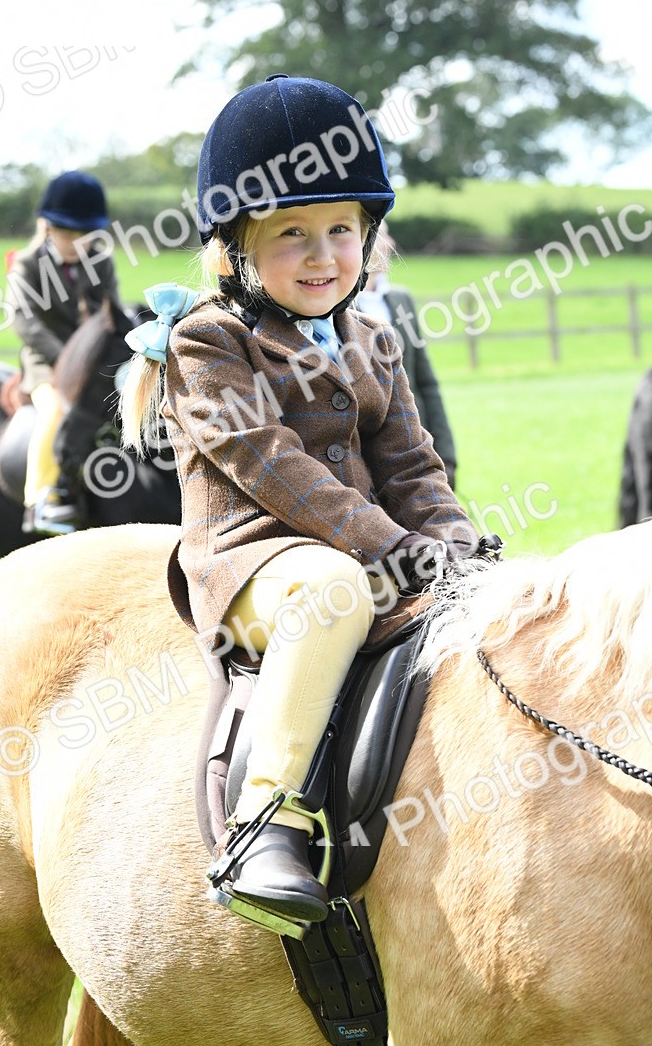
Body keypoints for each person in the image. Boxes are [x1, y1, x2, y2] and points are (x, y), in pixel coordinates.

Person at [120, 75, 479, 929]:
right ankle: (265, 819)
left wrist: (457, 546)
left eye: (341, 232)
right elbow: (272, 465)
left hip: (372, 549)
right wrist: (385, 544)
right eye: (292, 235)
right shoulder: (207, 340)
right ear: (235, 249)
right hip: (255, 563)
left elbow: (415, 465)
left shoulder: (372, 337)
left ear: (369, 238)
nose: (323, 257)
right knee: (330, 591)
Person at [6, 170, 118, 535]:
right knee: (56, 409)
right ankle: (40, 500)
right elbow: (23, 320)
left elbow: (108, 313)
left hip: (92, 359)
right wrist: (67, 358)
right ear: (48, 227)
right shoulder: (27, 263)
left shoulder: (100, 261)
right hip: (46, 362)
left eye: (83, 235)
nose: (75, 242)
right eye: (68, 233)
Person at [357, 234, 458, 488]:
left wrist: (447, 454)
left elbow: (426, 382)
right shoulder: (338, 306)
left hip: (416, 446)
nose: (390, 243)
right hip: (367, 455)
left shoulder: (401, 299)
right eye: (382, 235)